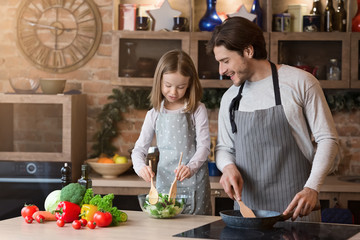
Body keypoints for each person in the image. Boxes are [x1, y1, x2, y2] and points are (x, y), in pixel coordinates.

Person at [206, 17, 339, 221]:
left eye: (225, 61)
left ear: (248, 51)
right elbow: (224, 148)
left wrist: (312, 188)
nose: (221, 71)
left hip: (298, 211)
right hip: (248, 215)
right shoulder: (230, 98)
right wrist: (228, 167)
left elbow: (327, 139)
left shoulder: (301, 83)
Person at [131, 49, 212, 215]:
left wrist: (191, 168)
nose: (173, 92)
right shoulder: (154, 113)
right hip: (164, 183)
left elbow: (204, 146)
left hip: (194, 182)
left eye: (180, 87)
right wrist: (140, 167)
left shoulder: (197, 109)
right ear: (159, 82)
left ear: (190, 84)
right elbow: (139, 149)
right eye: (168, 86)